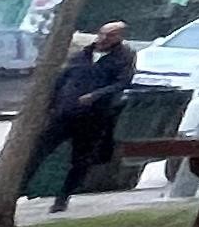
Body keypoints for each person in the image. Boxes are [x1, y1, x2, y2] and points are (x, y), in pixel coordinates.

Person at [27, 23, 138, 213]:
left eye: (110, 36)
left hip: (93, 117)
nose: (103, 39)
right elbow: (63, 79)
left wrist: (95, 95)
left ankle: (63, 197)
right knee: (39, 151)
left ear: (119, 37)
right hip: (65, 112)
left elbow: (122, 83)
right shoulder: (83, 55)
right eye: (102, 34)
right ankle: (18, 188)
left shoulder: (123, 58)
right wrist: (51, 105)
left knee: (81, 159)